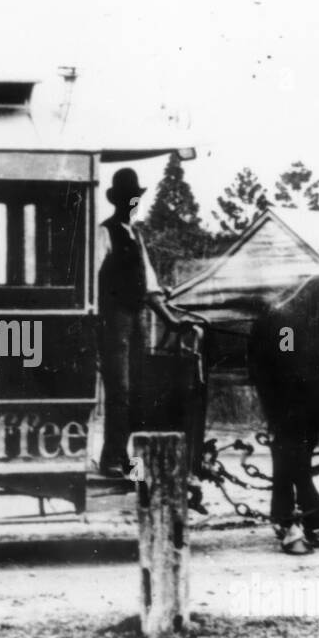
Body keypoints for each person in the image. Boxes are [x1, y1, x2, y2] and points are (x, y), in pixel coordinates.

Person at [96, 167, 192, 478]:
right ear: (118, 201)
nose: (133, 203)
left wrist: (171, 321)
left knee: (137, 389)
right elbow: (92, 282)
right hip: (114, 322)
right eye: (128, 198)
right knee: (120, 390)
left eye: (135, 198)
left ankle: (123, 456)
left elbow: (150, 288)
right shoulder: (105, 232)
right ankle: (110, 457)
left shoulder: (136, 235)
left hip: (137, 319)